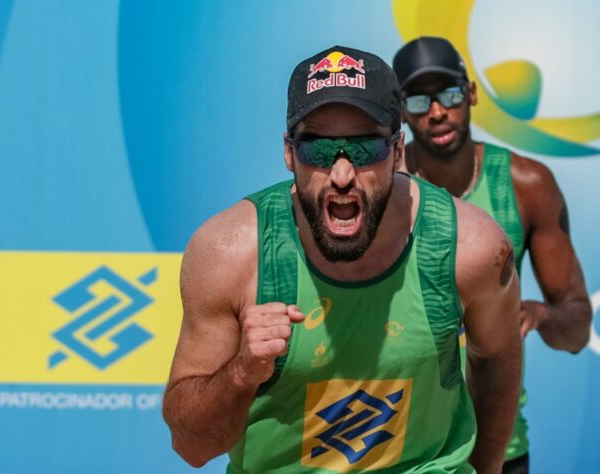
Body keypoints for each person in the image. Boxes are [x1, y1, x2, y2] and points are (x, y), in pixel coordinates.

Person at [163, 45, 522, 473]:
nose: (342, 175)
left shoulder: (470, 246)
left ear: (397, 151)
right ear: (289, 153)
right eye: (319, 149)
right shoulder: (231, 252)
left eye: (365, 148)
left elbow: (497, 356)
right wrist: (241, 372)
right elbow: (192, 446)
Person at [392, 36, 592, 474]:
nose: (438, 111)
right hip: (403, 451)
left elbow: (577, 330)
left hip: (496, 448)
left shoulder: (526, 185)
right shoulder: (385, 185)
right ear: (401, 111)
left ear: (472, 94)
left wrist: (539, 314)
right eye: (420, 99)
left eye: (449, 94)